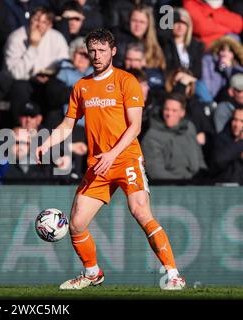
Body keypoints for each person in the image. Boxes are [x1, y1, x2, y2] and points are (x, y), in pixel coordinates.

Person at [36, 29, 185, 290]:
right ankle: (92, 272)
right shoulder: (82, 87)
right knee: (77, 223)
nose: (96, 55)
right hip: (98, 164)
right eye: (92, 50)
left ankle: (173, 275)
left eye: (102, 50)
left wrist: (112, 154)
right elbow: (67, 125)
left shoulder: (127, 81)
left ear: (113, 51)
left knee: (140, 211)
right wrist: (46, 143)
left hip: (125, 158)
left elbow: (135, 126)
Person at [141, 92, 208, 180]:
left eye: (174, 110)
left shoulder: (189, 128)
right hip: (169, 187)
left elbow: (199, 159)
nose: (169, 114)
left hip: (195, 183)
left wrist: (203, 177)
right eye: (166, 109)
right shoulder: (151, 137)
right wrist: (183, 184)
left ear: (182, 113)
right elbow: (156, 172)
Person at [209, 106, 243, 185]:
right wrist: (240, 142)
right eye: (235, 120)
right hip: (226, 190)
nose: (237, 125)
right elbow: (219, 160)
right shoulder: (221, 138)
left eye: (242, 121)